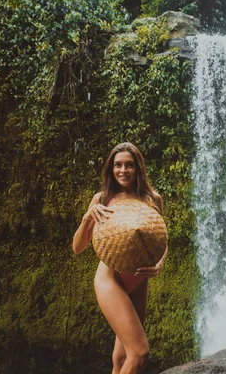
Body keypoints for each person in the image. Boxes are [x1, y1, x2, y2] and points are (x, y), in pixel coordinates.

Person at [72, 142, 167, 374]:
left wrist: (159, 264)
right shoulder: (102, 199)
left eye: (129, 165)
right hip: (110, 278)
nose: (123, 170)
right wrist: (87, 219)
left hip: (138, 279)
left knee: (122, 355)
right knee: (139, 352)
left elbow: (161, 240)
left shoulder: (153, 199)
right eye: (118, 165)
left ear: (138, 169)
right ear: (111, 169)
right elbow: (78, 248)